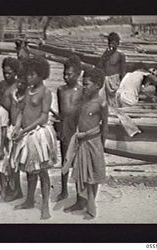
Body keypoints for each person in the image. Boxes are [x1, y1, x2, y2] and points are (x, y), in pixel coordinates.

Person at [12, 56, 58, 220]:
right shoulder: (27, 90)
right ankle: (29, 200)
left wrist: (25, 131)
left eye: (32, 75)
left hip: (38, 134)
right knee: (29, 169)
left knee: (42, 171)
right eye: (28, 75)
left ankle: (45, 205)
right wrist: (18, 127)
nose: (29, 78)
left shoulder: (46, 92)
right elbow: (21, 111)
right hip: (25, 133)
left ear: (41, 75)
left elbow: (44, 117)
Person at [62, 67, 108, 220]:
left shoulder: (101, 103)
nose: (84, 86)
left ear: (98, 85)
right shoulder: (82, 99)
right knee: (80, 172)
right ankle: (79, 202)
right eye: (83, 83)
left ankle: (90, 207)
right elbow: (74, 117)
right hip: (81, 140)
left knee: (93, 175)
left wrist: (102, 144)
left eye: (87, 84)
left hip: (93, 142)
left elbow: (105, 125)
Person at [54, 55, 84, 203]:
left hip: (77, 130)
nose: (66, 77)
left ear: (78, 74)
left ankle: (80, 194)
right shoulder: (61, 90)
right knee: (65, 161)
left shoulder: (83, 90)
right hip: (65, 129)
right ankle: (64, 190)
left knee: (78, 163)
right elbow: (60, 112)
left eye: (69, 74)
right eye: (64, 74)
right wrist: (59, 129)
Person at [2, 57, 25, 202]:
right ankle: (12, 187)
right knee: (8, 161)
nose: (6, 75)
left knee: (16, 161)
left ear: (15, 73)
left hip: (18, 127)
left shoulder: (18, 88)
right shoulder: (3, 86)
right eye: (4, 72)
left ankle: (18, 190)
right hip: (6, 125)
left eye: (9, 73)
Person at [98, 32, 126, 107]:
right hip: (105, 79)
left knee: (115, 102)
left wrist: (122, 85)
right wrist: (105, 55)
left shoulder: (121, 55)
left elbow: (123, 71)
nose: (112, 46)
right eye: (110, 43)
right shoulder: (106, 54)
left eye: (114, 43)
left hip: (115, 81)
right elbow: (100, 66)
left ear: (118, 44)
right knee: (103, 101)